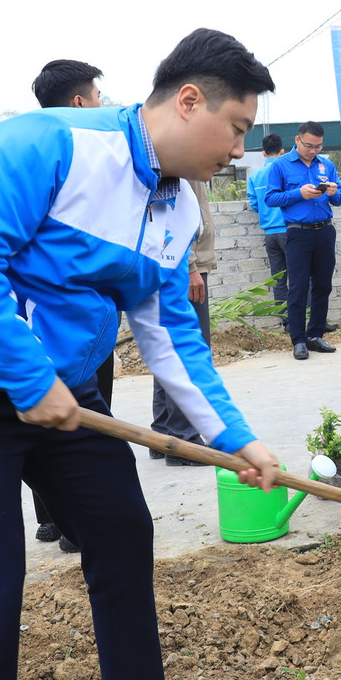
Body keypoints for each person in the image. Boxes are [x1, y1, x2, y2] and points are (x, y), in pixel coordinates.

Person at [0, 28, 281, 680]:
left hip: (61, 393)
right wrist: (28, 376)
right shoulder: (49, 146)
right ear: (190, 100)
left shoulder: (179, 206)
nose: (237, 151)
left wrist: (236, 438)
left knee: (123, 529)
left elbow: (171, 336)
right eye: (237, 128)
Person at [29, 58, 111, 552]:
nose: (104, 104)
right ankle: (68, 515)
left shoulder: (32, 149)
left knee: (49, 418)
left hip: (49, 320)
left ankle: (54, 518)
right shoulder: (79, 159)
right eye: (99, 96)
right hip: (62, 323)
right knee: (70, 413)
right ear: (80, 102)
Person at [149, 177, 217, 465]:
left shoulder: (187, 158)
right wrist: (189, 267)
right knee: (187, 350)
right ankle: (183, 439)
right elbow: (168, 216)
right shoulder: (180, 160)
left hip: (179, 265)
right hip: (182, 267)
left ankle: (163, 434)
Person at [263, 121, 341, 360]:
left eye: (318, 146)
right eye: (309, 145)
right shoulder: (280, 165)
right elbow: (270, 198)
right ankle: (298, 340)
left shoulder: (326, 164)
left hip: (325, 231)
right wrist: (299, 193)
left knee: (323, 285)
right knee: (297, 287)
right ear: (297, 140)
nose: (313, 150)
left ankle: (315, 334)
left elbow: (339, 198)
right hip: (298, 233)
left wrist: (332, 192)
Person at [245, 133, 289, 332]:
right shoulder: (286, 172)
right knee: (300, 277)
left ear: (263, 153)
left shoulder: (255, 176)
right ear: (283, 151)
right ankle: (303, 318)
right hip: (290, 231)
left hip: (270, 235)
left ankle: (286, 322)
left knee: (278, 279)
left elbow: (255, 204)